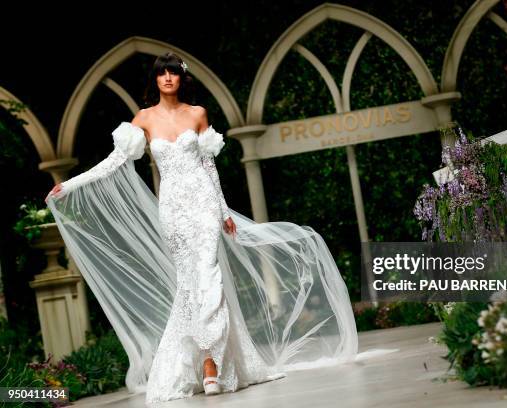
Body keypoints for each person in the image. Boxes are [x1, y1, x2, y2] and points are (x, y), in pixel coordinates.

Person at [45, 52, 361, 405]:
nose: (167, 78)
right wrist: (70, 185)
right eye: (161, 73)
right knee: (189, 283)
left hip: (205, 205)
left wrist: (223, 210)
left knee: (208, 275)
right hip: (173, 211)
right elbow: (114, 162)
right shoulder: (144, 119)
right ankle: (198, 362)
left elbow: (209, 168)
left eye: (173, 73)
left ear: (182, 78)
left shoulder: (197, 114)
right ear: (155, 80)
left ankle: (211, 364)